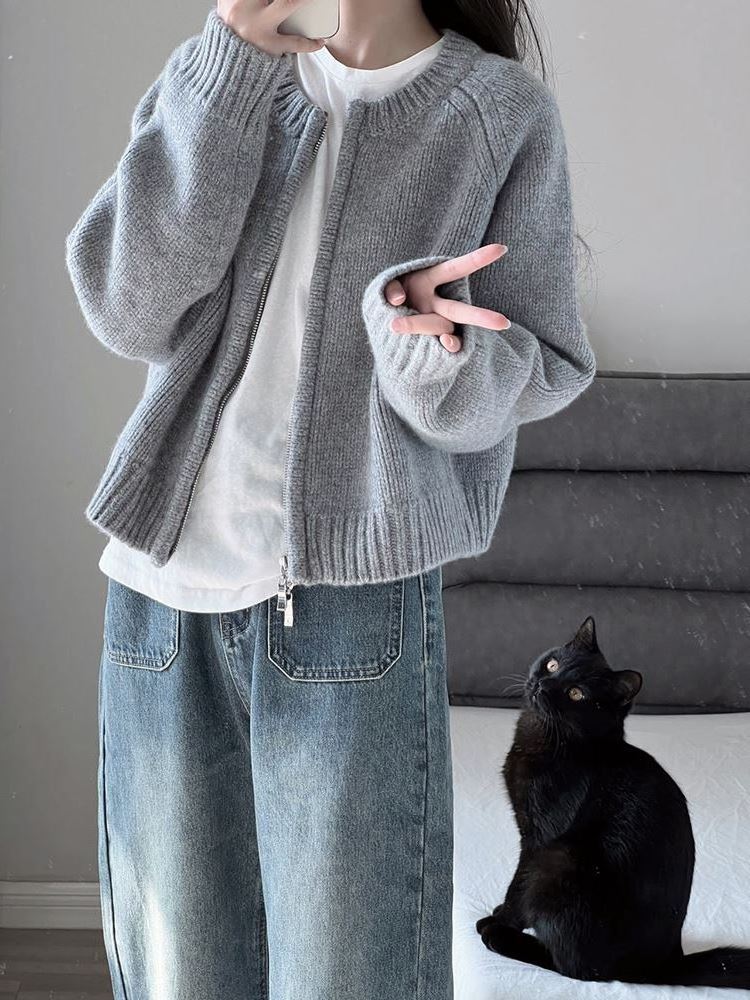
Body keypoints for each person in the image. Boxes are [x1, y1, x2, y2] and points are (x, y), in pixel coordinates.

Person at [64, 0, 596, 996]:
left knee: (352, 978)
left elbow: (544, 360)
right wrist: (227, 76)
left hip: (355, 614)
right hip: (158, 601)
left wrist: (433, 352)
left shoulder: (496, 112)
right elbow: (127, 308)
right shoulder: (217, 76)